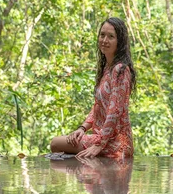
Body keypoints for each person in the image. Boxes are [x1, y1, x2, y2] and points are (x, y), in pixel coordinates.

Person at [50, 17, 136, 159]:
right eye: (102, 35)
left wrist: (99, 144)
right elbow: (98, 106)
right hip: (103, 138)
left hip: (116, 143)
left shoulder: (120, 70)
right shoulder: (107, 69)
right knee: (63, 144)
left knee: (56, 143)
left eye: (111, 36)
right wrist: (82, 128)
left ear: (119, 41)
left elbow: (115, 111)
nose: (104, 40)